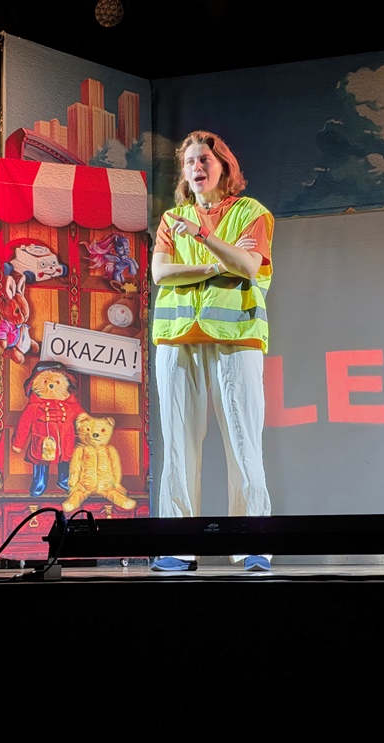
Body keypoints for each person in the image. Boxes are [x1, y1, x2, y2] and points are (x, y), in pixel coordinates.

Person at [150, 130, 274, 572]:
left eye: (204, 159)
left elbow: (248, 266)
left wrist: (203, 235)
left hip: (235, 337)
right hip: (177, 337)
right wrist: (213, 264)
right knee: (178, 445)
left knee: (244, 441)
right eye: (190, 162)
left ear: (224, 166)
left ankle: (254, 543)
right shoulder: (171, 219)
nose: (197, 167)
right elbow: (160, 274)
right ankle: (178, 545)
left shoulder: (251, 213)